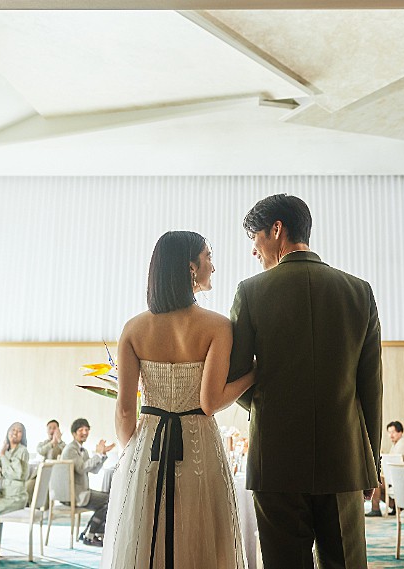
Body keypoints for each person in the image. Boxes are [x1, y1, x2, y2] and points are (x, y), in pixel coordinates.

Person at [227, 194, 383, 569]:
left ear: (276, 229)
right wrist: (371, 462)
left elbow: (234, 376)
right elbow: (371, 387)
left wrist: (268, 401)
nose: (254, 251)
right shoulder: (358, 291)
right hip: (344, 458)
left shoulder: (251, 292)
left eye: (255, 238)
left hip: (276, 459)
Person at [102, 231, 255, 568]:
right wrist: (254, 375)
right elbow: (210, 402)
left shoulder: (134, 329)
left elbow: (125, 411)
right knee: (201, 540)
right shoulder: (217, 326)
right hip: (200, 446)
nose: (213, 266)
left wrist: (135, 454)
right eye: (208, 257)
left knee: (147, 540)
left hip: (149, 446)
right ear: (190, 267)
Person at [60, 418, 114, 547]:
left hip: (81, 491)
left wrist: (102, 455)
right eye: (81, 430)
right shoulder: (70, 449)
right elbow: (81, 468)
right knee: (109, 500)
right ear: (74, 433)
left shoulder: (82, 450)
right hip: (73, 494)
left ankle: (88, 533)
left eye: (87, 429)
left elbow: (94, 470)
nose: (85, 432)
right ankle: (90, 535)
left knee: (110, 499)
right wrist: (98, 455)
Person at [367, 420, 404, 517]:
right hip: (394, 477)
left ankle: (375, 509)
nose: (391, 435)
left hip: (401, 478)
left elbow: (395, 463)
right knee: (378, 484)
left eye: (393, 432)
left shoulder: (403, 445)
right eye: (389, 432)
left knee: (376, 481)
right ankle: (396, 506)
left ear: (400, 432)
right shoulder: (395, 445)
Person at [0, 422, 30, 516]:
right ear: (8, 432)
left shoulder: (23, 451)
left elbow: (15, 474)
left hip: (16, 497)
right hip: (4, 494)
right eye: (13, 429)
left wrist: (2, 455)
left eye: (19, 431)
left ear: (23, 436)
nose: (15, 433)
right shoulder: (6, 451)